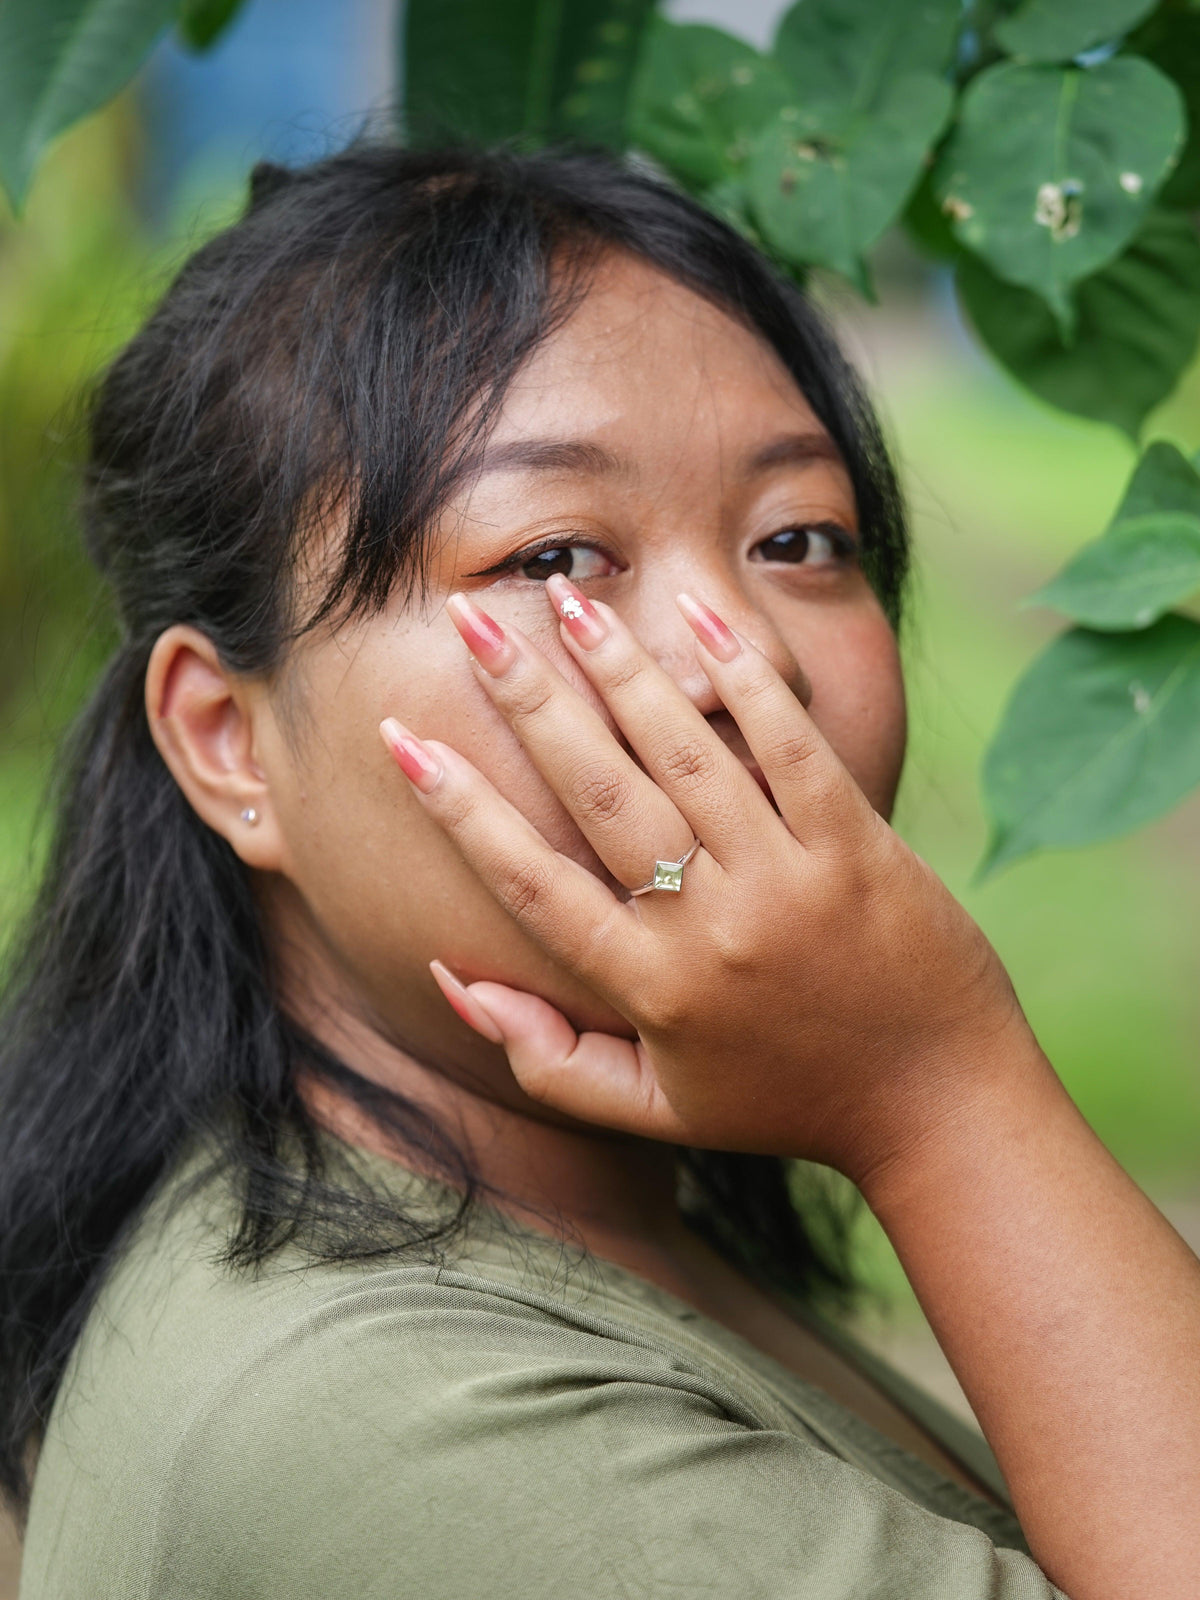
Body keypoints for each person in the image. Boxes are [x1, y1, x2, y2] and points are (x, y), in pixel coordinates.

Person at [0, 145, 1196, 1600]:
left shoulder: (576, 1215)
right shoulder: (396, 1436)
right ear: (229, 745)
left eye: (798, 538)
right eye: (556, 555)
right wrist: (940, 1095)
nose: (736, 653)